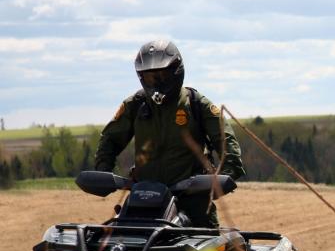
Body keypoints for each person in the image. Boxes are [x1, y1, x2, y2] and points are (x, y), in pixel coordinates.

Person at [95, 40, 245, 227]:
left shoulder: (197, 104)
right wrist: (103, 173)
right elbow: (110, 139)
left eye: (162, 75)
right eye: (150, 77)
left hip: (191, 201)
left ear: (176, 71)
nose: (156, 82)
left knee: (209, 250)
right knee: (119, 246)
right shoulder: (135, 104)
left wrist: (217, 182)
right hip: (143, 199)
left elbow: (227, 144)